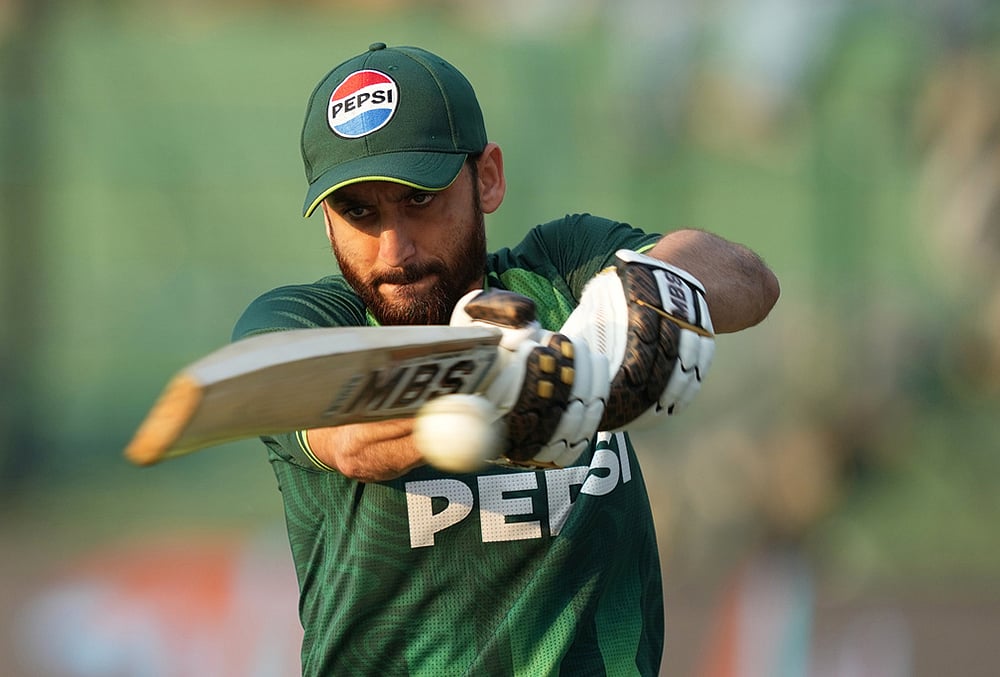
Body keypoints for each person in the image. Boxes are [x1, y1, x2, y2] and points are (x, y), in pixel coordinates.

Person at [232, 42, 779, 676]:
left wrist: (634, 304)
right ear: (327, 221)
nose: (395, 251)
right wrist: (495, 377)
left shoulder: (559, 270)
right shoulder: (298, 324)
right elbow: (350, 437)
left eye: (419, 198)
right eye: (359, 213)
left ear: (486, 177)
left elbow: (748, 279)